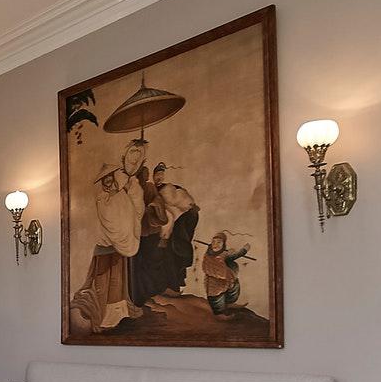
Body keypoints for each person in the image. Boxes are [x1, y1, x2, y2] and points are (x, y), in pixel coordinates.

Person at [70, 139, 148, 332]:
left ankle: (117, 315)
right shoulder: (103, 198)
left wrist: (133, 189)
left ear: (113, 178)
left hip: (118, 247)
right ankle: (102, 317)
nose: (107, 182)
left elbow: (135, 211)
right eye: (105, 180)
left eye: (109, 179)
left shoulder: (121, 194)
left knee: (117, 283)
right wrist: (121, 198)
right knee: (102, 282)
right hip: (104, 246)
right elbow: (110, 217)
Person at [131, 162, 199, 306]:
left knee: (170, 259)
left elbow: (182, 206)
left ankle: (170, 288)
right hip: (153, 231)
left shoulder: (169, 188)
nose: (159, 177)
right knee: (154, 260)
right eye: (157, 174)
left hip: (170, 233)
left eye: (161, 174)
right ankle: (154, 290)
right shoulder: (147, 189)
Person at [202, 231, 250, 316]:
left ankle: (229, 304)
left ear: (223, 244)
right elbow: (206, 267)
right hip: (215, 285)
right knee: (217, 301)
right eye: (213, 242)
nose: (215, 244)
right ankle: (219, 314)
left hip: (227, 281)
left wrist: (244, 250)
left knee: (234, 289)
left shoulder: (224, 254)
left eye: (219, 242)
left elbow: (234, 256)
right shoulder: (208, 256)